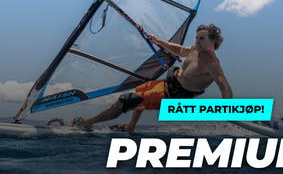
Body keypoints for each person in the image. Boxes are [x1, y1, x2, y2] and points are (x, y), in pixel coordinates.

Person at [71, 23, 232, 132]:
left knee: (125, 101)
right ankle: (130, 128)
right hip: (165, 85)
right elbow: (181, 50)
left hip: (171, 96)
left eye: (201, 39)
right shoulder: (195, 50)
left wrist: (227, 108)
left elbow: (225, 87)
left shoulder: (213, 65)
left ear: (213, 41)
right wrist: (159, 41)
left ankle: (87, 123)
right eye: (196, 38)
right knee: (138, 96)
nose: (197, 42)